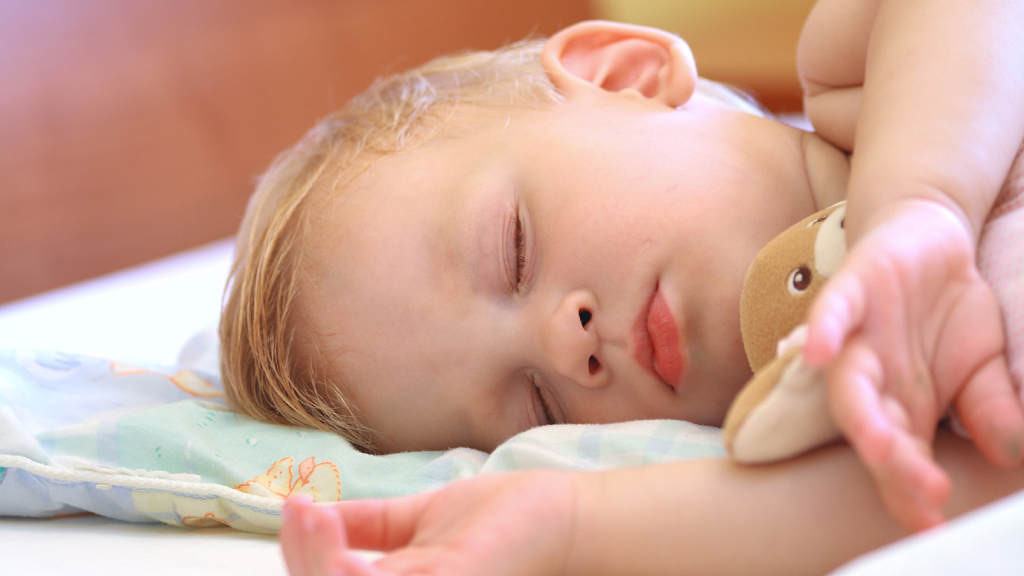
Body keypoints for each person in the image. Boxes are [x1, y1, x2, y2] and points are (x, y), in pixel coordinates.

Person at [219, 0, 1024, 566]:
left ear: (625, 76)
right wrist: (572, 528)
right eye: (538, 405)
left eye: (515, 250)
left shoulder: (858, 73)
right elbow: (959, 499)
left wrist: (922, 203)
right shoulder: (871, 419)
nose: (566, 346)